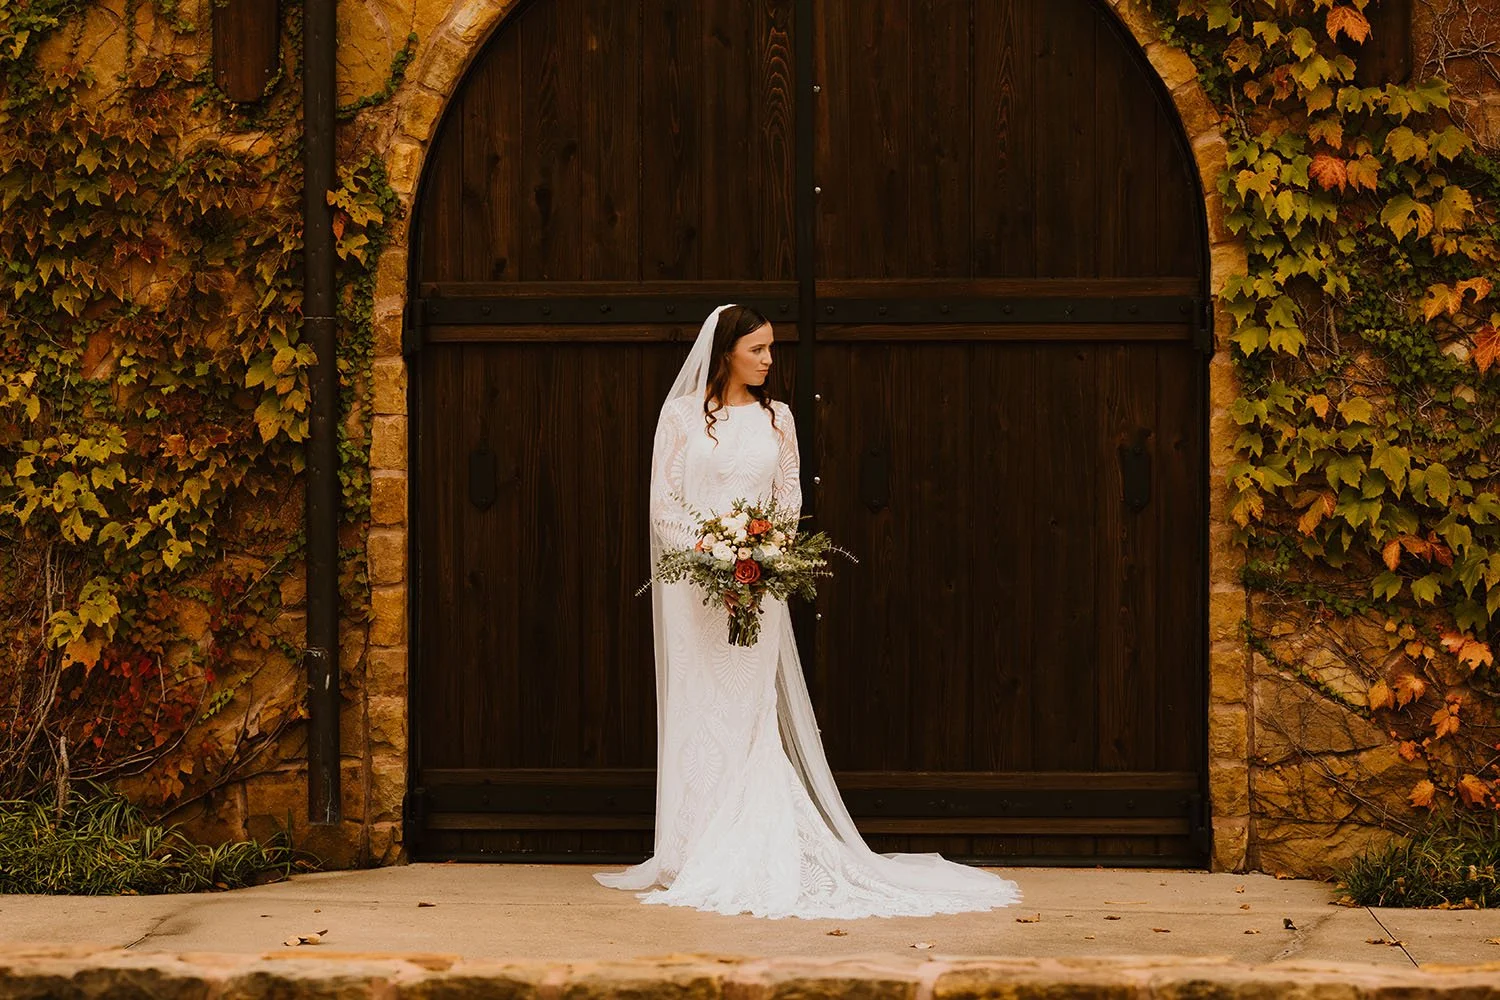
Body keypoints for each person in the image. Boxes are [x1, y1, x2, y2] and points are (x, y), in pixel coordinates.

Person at [593, 304, 1023, 919]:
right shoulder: (682, 418)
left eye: (772, 350)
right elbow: (665, 502)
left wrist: (764, 551)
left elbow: (788, 495)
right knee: (697, 703)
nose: (769, 360)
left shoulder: (781, 419)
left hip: (759, 585)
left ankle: (750, 838)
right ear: (725, 353)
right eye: (758, 350)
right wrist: (711, 552)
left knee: (748, 708)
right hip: (699, 589)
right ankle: (687, 848)